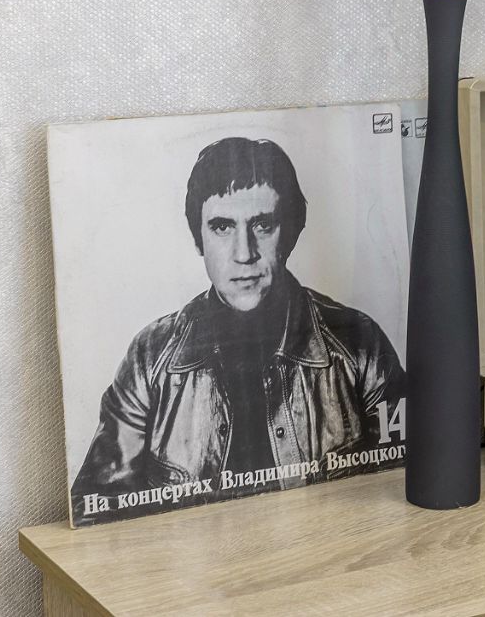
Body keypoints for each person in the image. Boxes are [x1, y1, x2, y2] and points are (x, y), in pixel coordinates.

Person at [72, 137, 405, 522]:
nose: (244, 253)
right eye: (222, 227)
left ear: (291, 232)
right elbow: (97, 512)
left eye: (263, 225)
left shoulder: (358, 343)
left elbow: (402, 487)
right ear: (198, 238)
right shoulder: (150, 357)